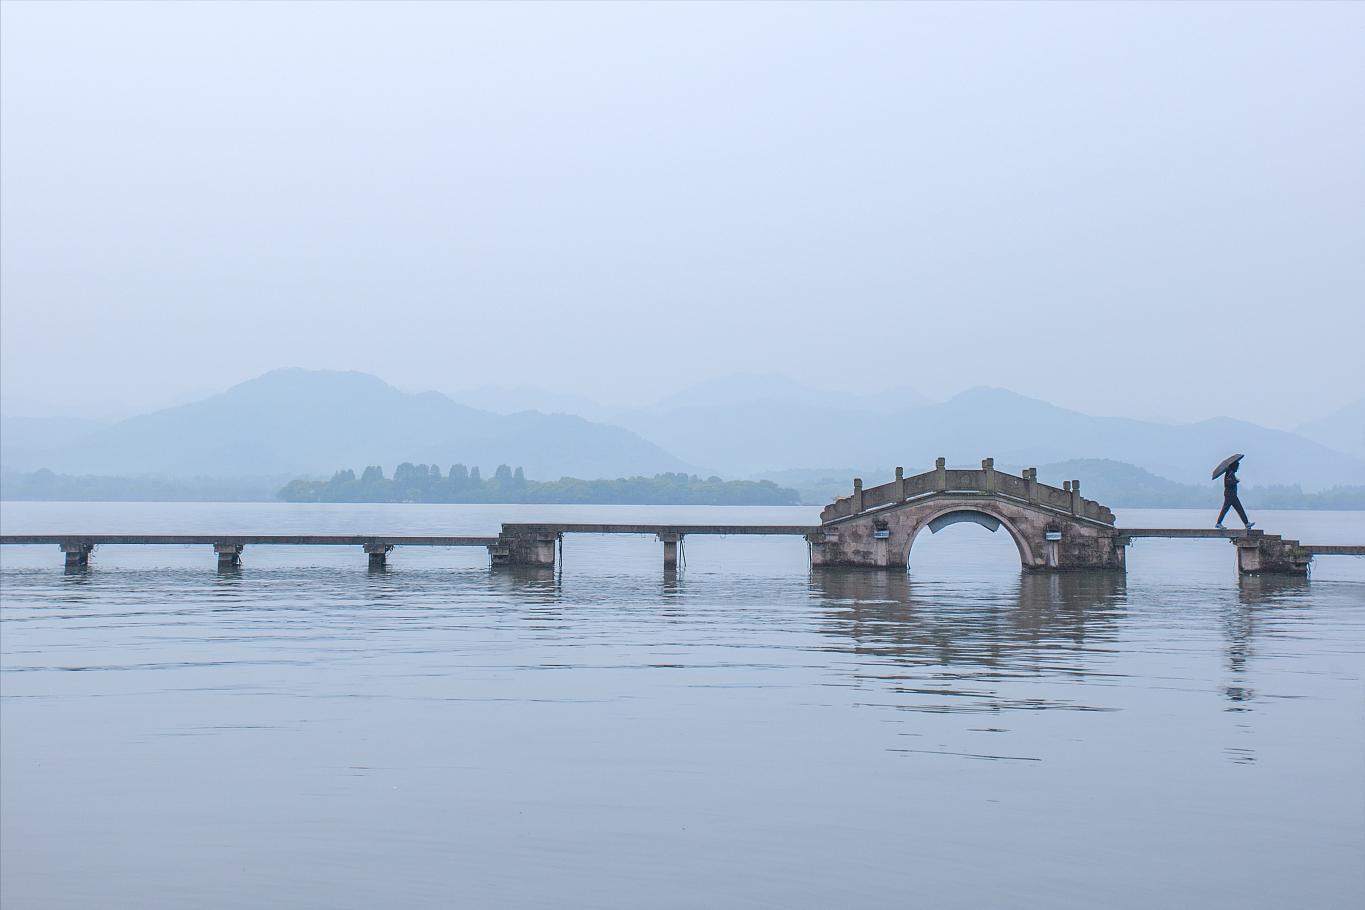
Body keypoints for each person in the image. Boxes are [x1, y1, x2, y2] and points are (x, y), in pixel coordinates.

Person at [1216, 460, 1255, 530]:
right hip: (1229, 495)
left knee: (1239, 509)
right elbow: (1228, 483)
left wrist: (1235, 480)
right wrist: (1236, 481)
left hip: (1233, 495)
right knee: (1226, 509)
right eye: (1237, 466)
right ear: (1234, 466)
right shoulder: (1229, 473)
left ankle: (1247, 524)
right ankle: (1218, 523)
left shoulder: (1231, 473)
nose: (1237, 468)